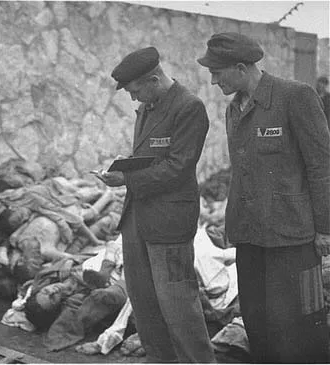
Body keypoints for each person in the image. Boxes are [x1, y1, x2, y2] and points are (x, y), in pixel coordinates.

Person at [197, 32, 330, 363]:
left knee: (298, 328)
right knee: (258, 324)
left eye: (217, 73)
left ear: (241, 68)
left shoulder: (295, 97)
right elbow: (242, 172)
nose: (213, 81)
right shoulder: (234, 110)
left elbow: (321, 166)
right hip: (250, 238)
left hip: (292, 238)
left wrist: (325, 228)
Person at [95, 47, 215, 362]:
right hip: (138, 218)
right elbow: (151, 157)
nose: (133, 99)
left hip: (168, 222)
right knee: (145, 305)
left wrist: (128, 180)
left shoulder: (189, 107)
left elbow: (179, 167)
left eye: (135, 91)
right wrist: (124, 170)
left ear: (153, 79)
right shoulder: (149, 106)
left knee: (179, 308)